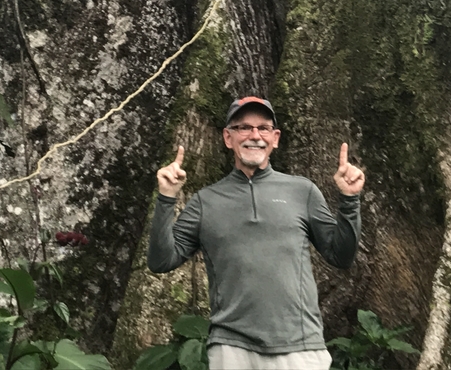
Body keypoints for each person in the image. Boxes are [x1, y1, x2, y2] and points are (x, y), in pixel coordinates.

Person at [147, 96, 366, 370]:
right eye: (244, 128)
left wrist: (349, 200)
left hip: (300, 346)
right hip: (231, 348)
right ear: (228, 137)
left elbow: (341, 256)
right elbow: (161, 261)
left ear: (275, 138)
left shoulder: (302, 191)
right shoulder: (206, 201)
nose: (255, 136)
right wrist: (167, 198)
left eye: (263, 128)